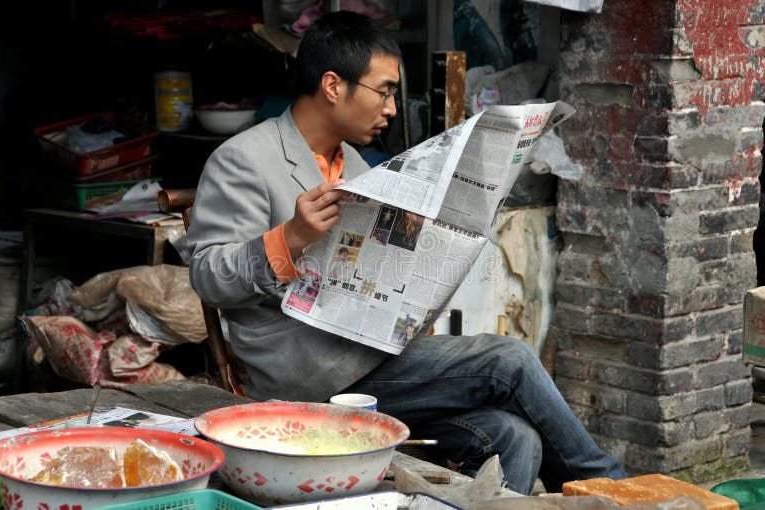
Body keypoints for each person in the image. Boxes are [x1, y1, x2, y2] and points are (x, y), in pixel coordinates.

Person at [187, 11, 625, 495]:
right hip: (308, 376)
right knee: (510, 360)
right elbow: (207, 276)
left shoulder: (352, 163)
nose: (392, 108)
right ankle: (610, 490)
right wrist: (289, 237)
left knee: (512, 436)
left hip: (373, 353)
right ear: (334, 85)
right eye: (385, 90)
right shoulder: (243, 159)